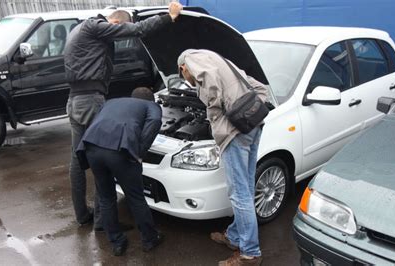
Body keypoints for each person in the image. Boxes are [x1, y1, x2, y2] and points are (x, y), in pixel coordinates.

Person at [64, 2, 183, 229]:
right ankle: (103, 222)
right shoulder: (95, 26)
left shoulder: (79, 29)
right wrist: (169, 17)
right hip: (90, 100)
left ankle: (83, 215)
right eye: (120, 30)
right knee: (103, 156)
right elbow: (138, 30)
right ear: (117, 22)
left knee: (78, 161)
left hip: (75, 100)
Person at [177, 49, 267, 266]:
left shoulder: (192, 59)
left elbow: (211, 84)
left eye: (186, 79)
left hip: (234, 132)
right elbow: (259, 88)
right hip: (253, 124)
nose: (190, 83)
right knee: (245, 185)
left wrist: (215, 111)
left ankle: (250, 254)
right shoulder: (224, 61)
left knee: (239, 194)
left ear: (183, 69)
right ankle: (235, 236)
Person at [76, 87, 163, 256]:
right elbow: (154, 122)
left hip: (91, 146)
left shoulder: (112, 102)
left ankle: (116, 242)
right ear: (150, 100)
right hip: (119, 151)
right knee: (136, 197)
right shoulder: (150, 106)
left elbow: (99, 121)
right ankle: (149, 239)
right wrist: (139, 152)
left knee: (106, 197)